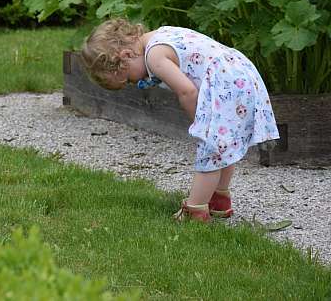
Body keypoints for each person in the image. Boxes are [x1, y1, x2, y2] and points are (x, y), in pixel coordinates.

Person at [80, 18, 280, 222]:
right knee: (222, 145)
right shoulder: (160, 34)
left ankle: (195, 211)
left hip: (227, 83)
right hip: (240, 74)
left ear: (125, 56)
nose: (138, 82)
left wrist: (198, 122)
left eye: (129, 79)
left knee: (210, 148)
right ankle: (219, 198)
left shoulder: (154, 57)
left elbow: (187, 91)